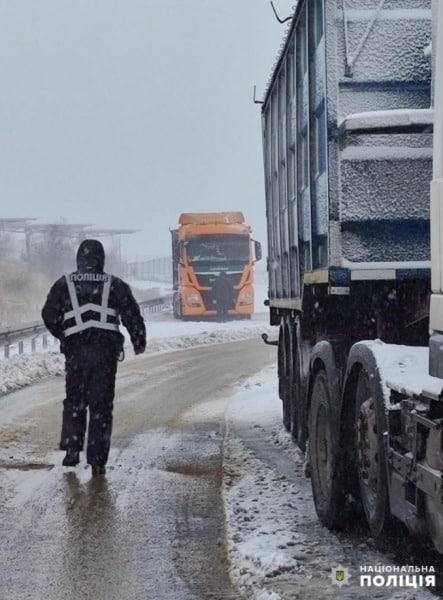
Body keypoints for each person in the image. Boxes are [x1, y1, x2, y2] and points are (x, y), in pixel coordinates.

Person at [41, 239, 146, 476]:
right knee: (101, 405)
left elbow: (48, 314)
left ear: (80, 259)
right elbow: (132, 314)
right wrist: (138, 340)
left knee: (75, 400)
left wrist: (64, 335)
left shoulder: (65, 284)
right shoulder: (115, 285)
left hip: (76, 353)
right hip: (105, 354)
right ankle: (98, 460)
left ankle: (72, 450)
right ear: (101, 259)